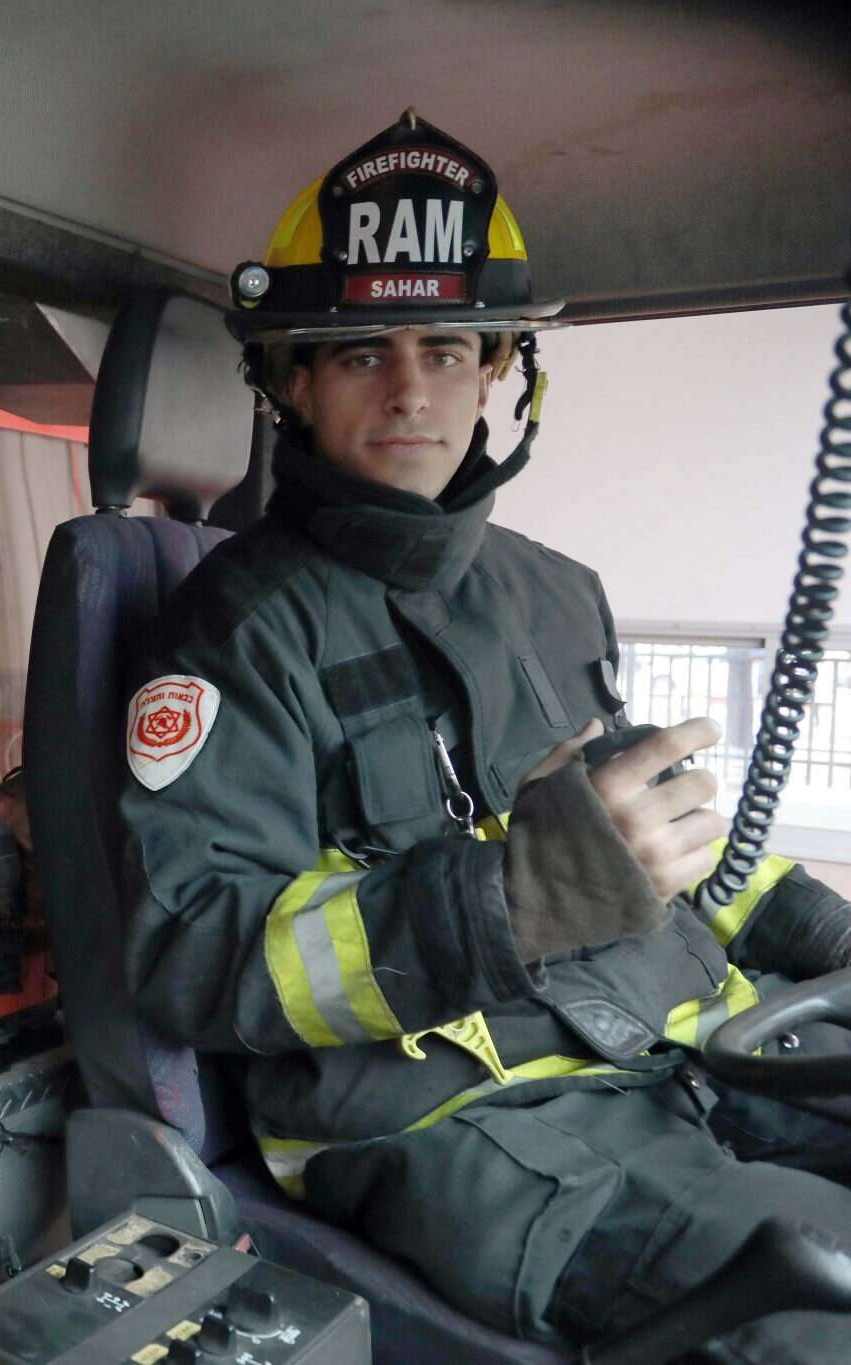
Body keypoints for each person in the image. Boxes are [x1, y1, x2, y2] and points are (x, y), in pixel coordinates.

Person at [119, 110, 851, 1358]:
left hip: (675, 1044)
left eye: (447, 347)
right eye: (361, 353)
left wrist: (822, 934)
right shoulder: (229, 632)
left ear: (501, 371)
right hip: (446, 1123)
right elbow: (195, 956)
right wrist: (513, 898)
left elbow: (665, 852)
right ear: (291, 381)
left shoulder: (554, 592)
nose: (410, 389)